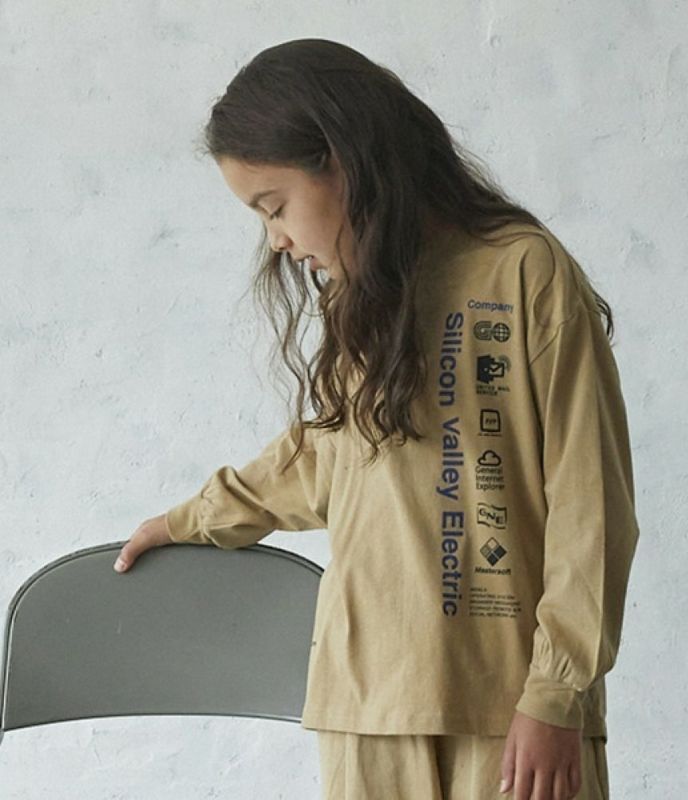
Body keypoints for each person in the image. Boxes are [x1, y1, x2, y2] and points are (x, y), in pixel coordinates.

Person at [113, 38, 640, 800]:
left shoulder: (524, 271)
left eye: (275, 207)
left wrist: (557, 693)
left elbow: (593, 507)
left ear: (343, 162)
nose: (276, 240)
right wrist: (189, 519)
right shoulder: (361, 300)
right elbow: (326, 459)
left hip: (513, 712)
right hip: (366, 709)